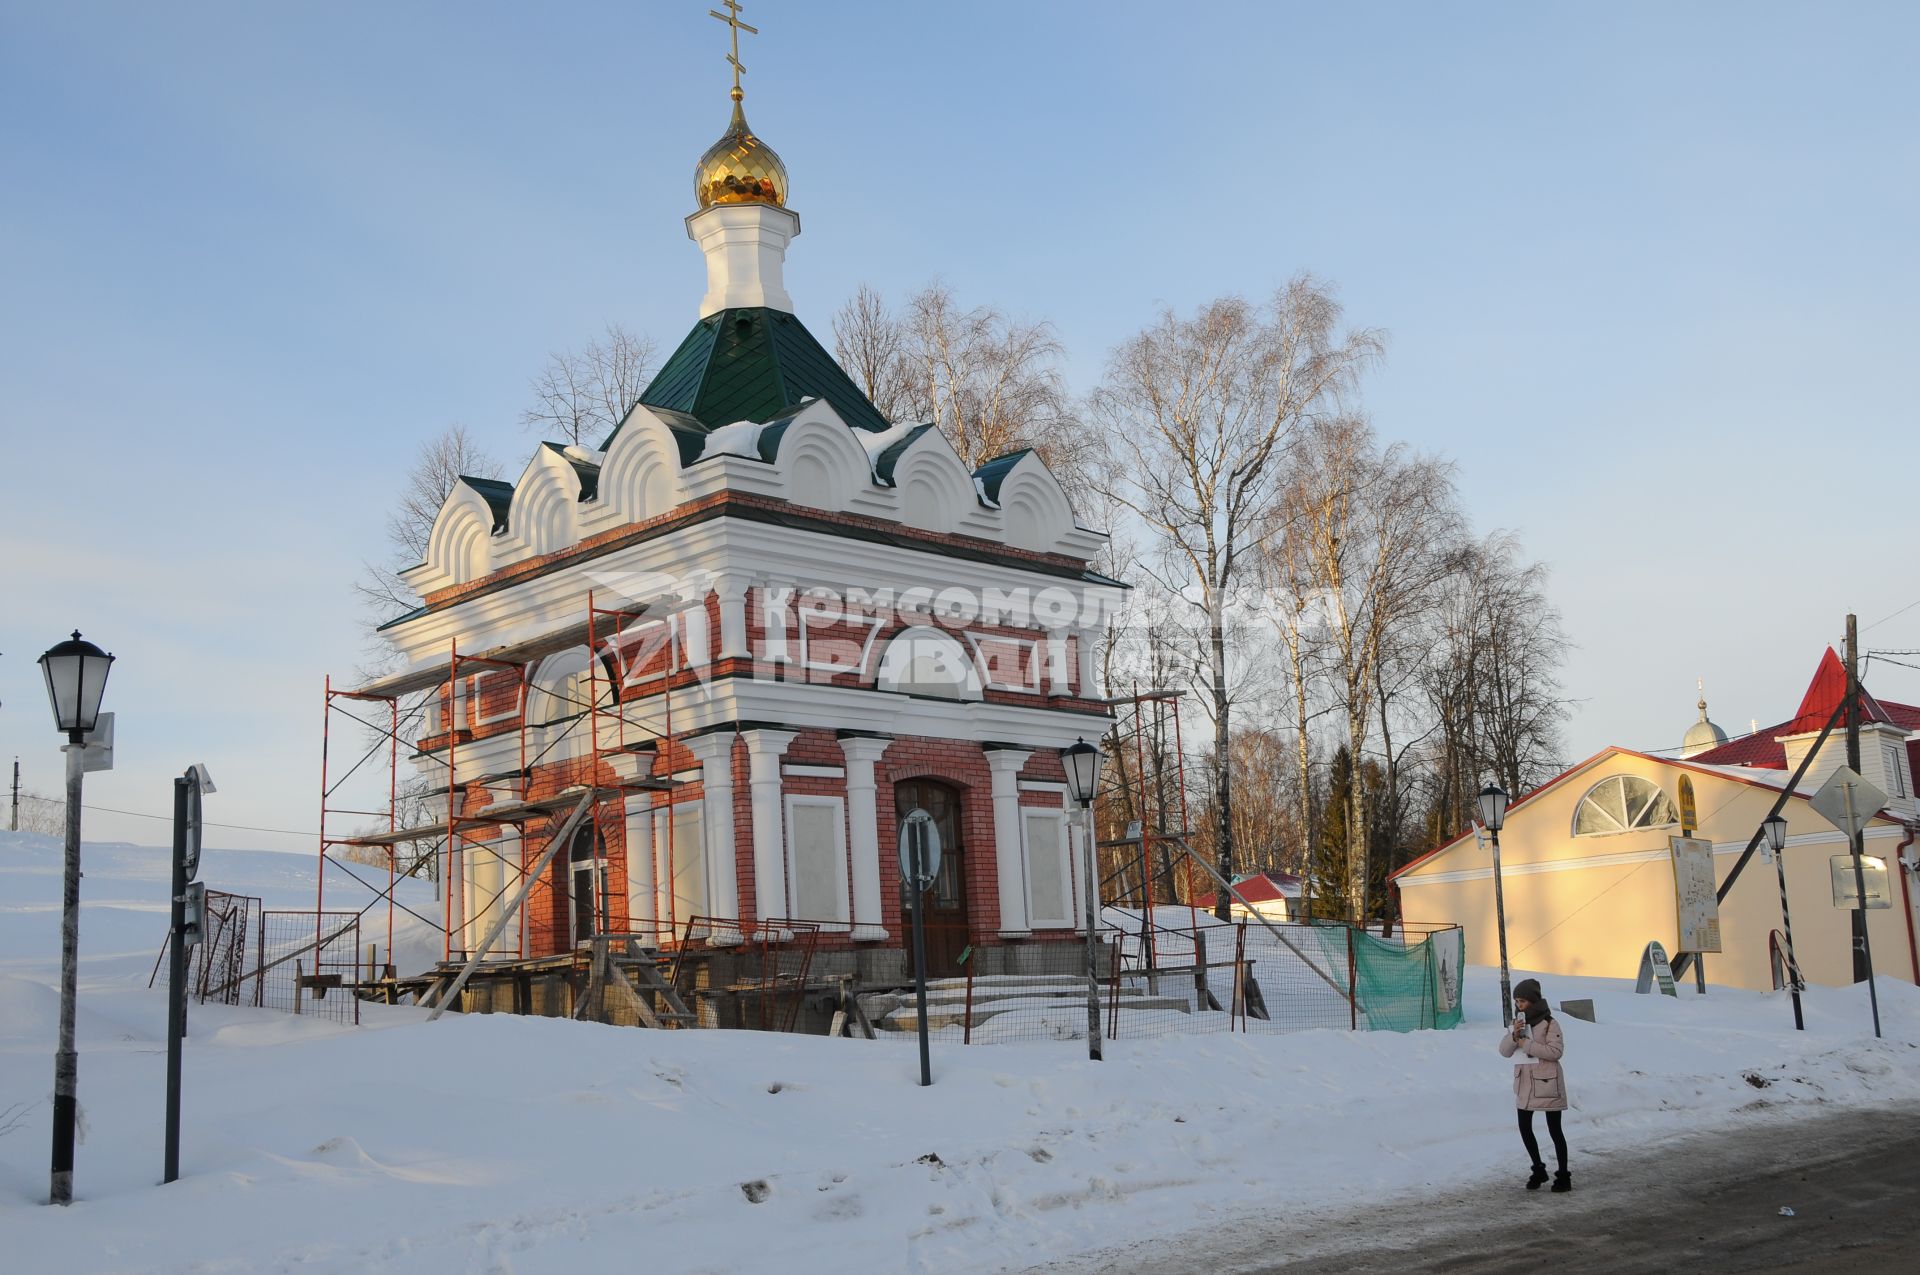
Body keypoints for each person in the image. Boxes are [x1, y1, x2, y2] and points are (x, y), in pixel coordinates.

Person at [1498, 976, 1570, 1192]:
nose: (1519, 1005)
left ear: (1533, 1000)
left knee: (1554, 1130)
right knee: (1524, 1127)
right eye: (1517, 1001)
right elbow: (1504, 1052)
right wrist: (1514, 1035)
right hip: (1525, 1084)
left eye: (1523, 1001)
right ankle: (1538, 1168)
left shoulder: (1549, 1023)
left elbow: (1555, 1052)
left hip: (1547, 1081)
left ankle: (1563, 1176)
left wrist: (1526, 1044)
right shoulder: (1518, 1023)